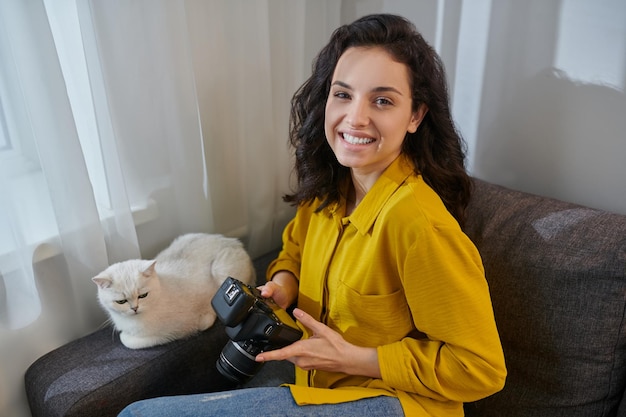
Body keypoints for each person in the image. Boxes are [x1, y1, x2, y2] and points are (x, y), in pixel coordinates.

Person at [118, 13, 506, 417]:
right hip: (315, 387)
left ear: (415, 116)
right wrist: (282, 286)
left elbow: (481, 369)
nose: (355, 118)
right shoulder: (328, 191)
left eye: (383, 100)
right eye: (343, 94)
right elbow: (294, 252)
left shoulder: (419, 226)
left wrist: (356, 359)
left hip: (398, 403)